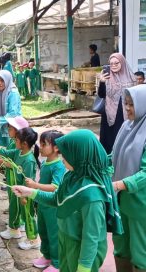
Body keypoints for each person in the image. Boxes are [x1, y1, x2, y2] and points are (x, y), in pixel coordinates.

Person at [12, 129, 123, 272]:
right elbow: (57, 198)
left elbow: (91, 237)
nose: (62, 158)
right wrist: (30, 192)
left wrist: (84, 268)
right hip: (66, 240)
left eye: (66, 154)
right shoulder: (72, 176)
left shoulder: (92, 197)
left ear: (80, 155)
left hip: (82, 252)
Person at [111, 85, 146, 272]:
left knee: (141, 253)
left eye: (132, 104)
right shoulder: (126, 126)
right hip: (121, 199)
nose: (128, 108)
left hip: (140, 204)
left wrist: (119, 184)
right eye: (126, 104)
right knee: (121, 247)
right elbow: (114, 156)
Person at [0, 127, 40, 249]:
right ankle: (14, 230)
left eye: (16, 139)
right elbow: (5, 153)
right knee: (15, 209)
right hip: (16, 190)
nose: (14, 141)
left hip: (24, 193)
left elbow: (28, 181)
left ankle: (33, 239)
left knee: (28, 216)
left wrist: (24, 196)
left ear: (24, 143)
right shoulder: (18, 152)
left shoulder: (29, 161)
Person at [24, 130, 66, 272]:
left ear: (56, 148)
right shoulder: (45, 162)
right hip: (42, 205)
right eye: (40, 144)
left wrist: (35, 186)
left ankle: (56, 262)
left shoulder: (58, 166)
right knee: (43, 231)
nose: (40, 147)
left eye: (44, 144)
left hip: (52, 207)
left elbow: (55, 187)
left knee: (54, 234)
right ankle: (46, 255)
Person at [0, 116, 29, 239]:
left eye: (10, 127)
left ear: (18, 132)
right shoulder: (13, 142)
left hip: (15, 177)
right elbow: (6, 154)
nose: (8, 129)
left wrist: (1, 162)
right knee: (15, 202)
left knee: (15, 203)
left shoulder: (18, 146)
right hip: (11, 176)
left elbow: (14, 163)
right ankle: (19, 223)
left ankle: (14, 229)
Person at [98, 53, 136, 153]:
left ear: (122, 62)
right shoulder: (106, 77)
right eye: (111, 64)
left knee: (124, 137)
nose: (113, 65)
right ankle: (110, 161)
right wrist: (102, 82)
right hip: (109, 114)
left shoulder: (131, 77)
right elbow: (101, 95)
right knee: (110, 140)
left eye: (116, 63)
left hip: (126, 113)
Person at [0, 70, 22, 147]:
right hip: (5, 126)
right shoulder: (3, 92)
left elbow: (13, 113)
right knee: (1, 149)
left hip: (13, 127)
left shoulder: (12, 93)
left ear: (7, 80)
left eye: (2, 80)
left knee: (12, 149)